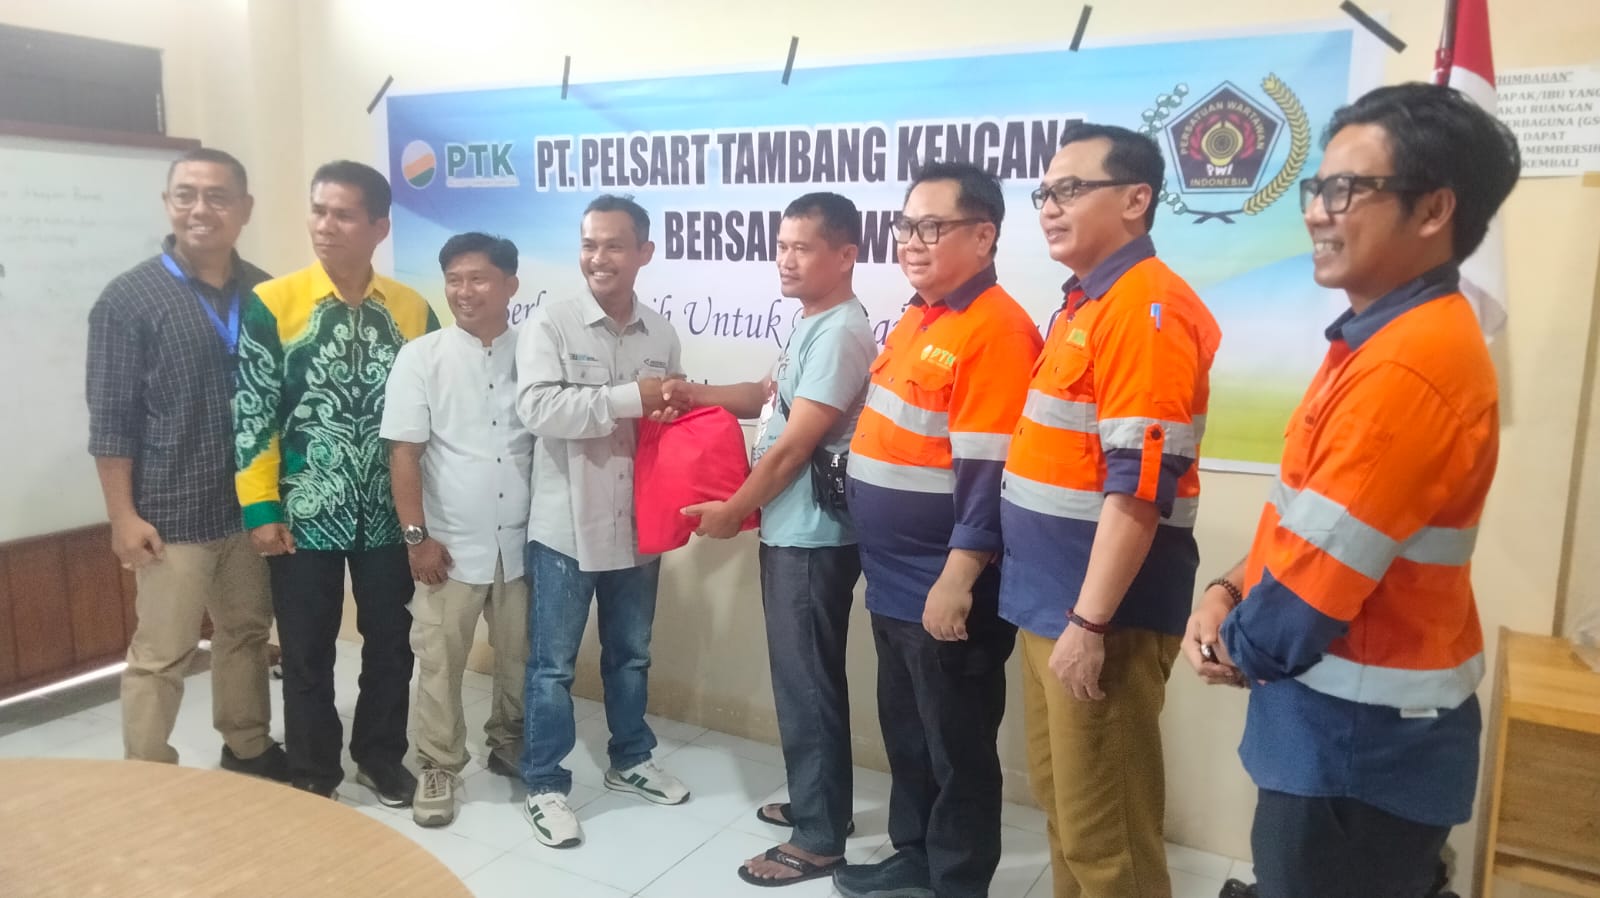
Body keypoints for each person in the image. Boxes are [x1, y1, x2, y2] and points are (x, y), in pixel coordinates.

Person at [1183, 83, 1520, 898]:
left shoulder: (1408, 365)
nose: (1315, 213)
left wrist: (1238, 644)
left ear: (1434, 209)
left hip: (1357, 751)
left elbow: (1309, 593)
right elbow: (1311, 526)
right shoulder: (1380, 342)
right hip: (1343, 736)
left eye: (1345, 190)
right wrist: (1231, 587)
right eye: (1316, 188)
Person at [1000, 125, 1220, 898]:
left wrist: (1089, 625)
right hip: (1051, 604)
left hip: (1103, 620)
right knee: (1068, 814)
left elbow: (1139, 488)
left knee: (1109, 840)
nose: (1049, 207)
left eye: (1070, 190)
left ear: (1135, 199)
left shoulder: (1146, 308)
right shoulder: (1086, 303)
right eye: (1044, 193)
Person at [835, 162, 1043, 898]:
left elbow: (991, 473)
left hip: (946, 585)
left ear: (983, 236)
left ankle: (957, 881)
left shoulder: (998, 331)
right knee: (910, 733)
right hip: (894, 580)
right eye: (905, 226)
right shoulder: (921, 316)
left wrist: (958, 579)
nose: (911, 241)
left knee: (958, 747)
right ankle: (914, 858)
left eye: (932, 227)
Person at [662, 192, 877, 886]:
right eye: (781, 246)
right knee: (805, 677)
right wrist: (696, 394)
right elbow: (767, 396)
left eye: (802, 247)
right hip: (793, 528)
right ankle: (823, 806)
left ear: (845, 255)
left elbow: (791, 448)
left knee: (805, 683)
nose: (785, 259)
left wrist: (733, 510)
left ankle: (817, 838)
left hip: (812, 537)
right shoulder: (813, 321)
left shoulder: (840, 331)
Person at [234, 160, 438, 802]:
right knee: (306, 651)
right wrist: (260, 508)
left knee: (391, 644)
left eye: (343, 214)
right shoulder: (274, 302)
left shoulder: (411, 309)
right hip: (302, 512)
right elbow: (253, 413)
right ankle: (313, 770)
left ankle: (379, 756)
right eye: (318, 210)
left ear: (379, 226)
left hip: (388, 512)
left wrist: (427, 515)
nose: (325, 225)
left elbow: (434, 416)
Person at [86, 147, 286, 780]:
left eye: (217, 196)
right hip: (171, 514)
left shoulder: (265, 292)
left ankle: (248, 746)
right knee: (162, 653)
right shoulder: (128, 299)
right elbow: (110, 420)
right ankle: (149, 775)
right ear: (168, 205)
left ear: (244, 208)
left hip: (249, 511)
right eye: (186, 195)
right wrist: (122, 516)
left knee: (245, 635)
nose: (201, 209)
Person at [514, 194, 692, 849]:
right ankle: (544, 785)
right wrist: (627, 400)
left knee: (631, 655)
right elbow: (537, 409)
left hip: (639, 525)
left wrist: (668, 411)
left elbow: (663, 421)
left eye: (614, 245)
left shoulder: (661, 333)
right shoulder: (552, 324)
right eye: (589, 244)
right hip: (565, 527)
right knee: (553, 668)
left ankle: (630, 759)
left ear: (644, 252)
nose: (598, 257)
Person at [380, 232, 533, 826]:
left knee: (521, 657)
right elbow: (404, 454)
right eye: (454, 279)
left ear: (510, 285)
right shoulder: (421, 358)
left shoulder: (536, 352)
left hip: (523, 542)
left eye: (479, 278)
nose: (464, 291)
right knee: (440, 661)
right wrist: (416, 539)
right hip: (447, 546)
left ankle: (510, 743)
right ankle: (438, 764)